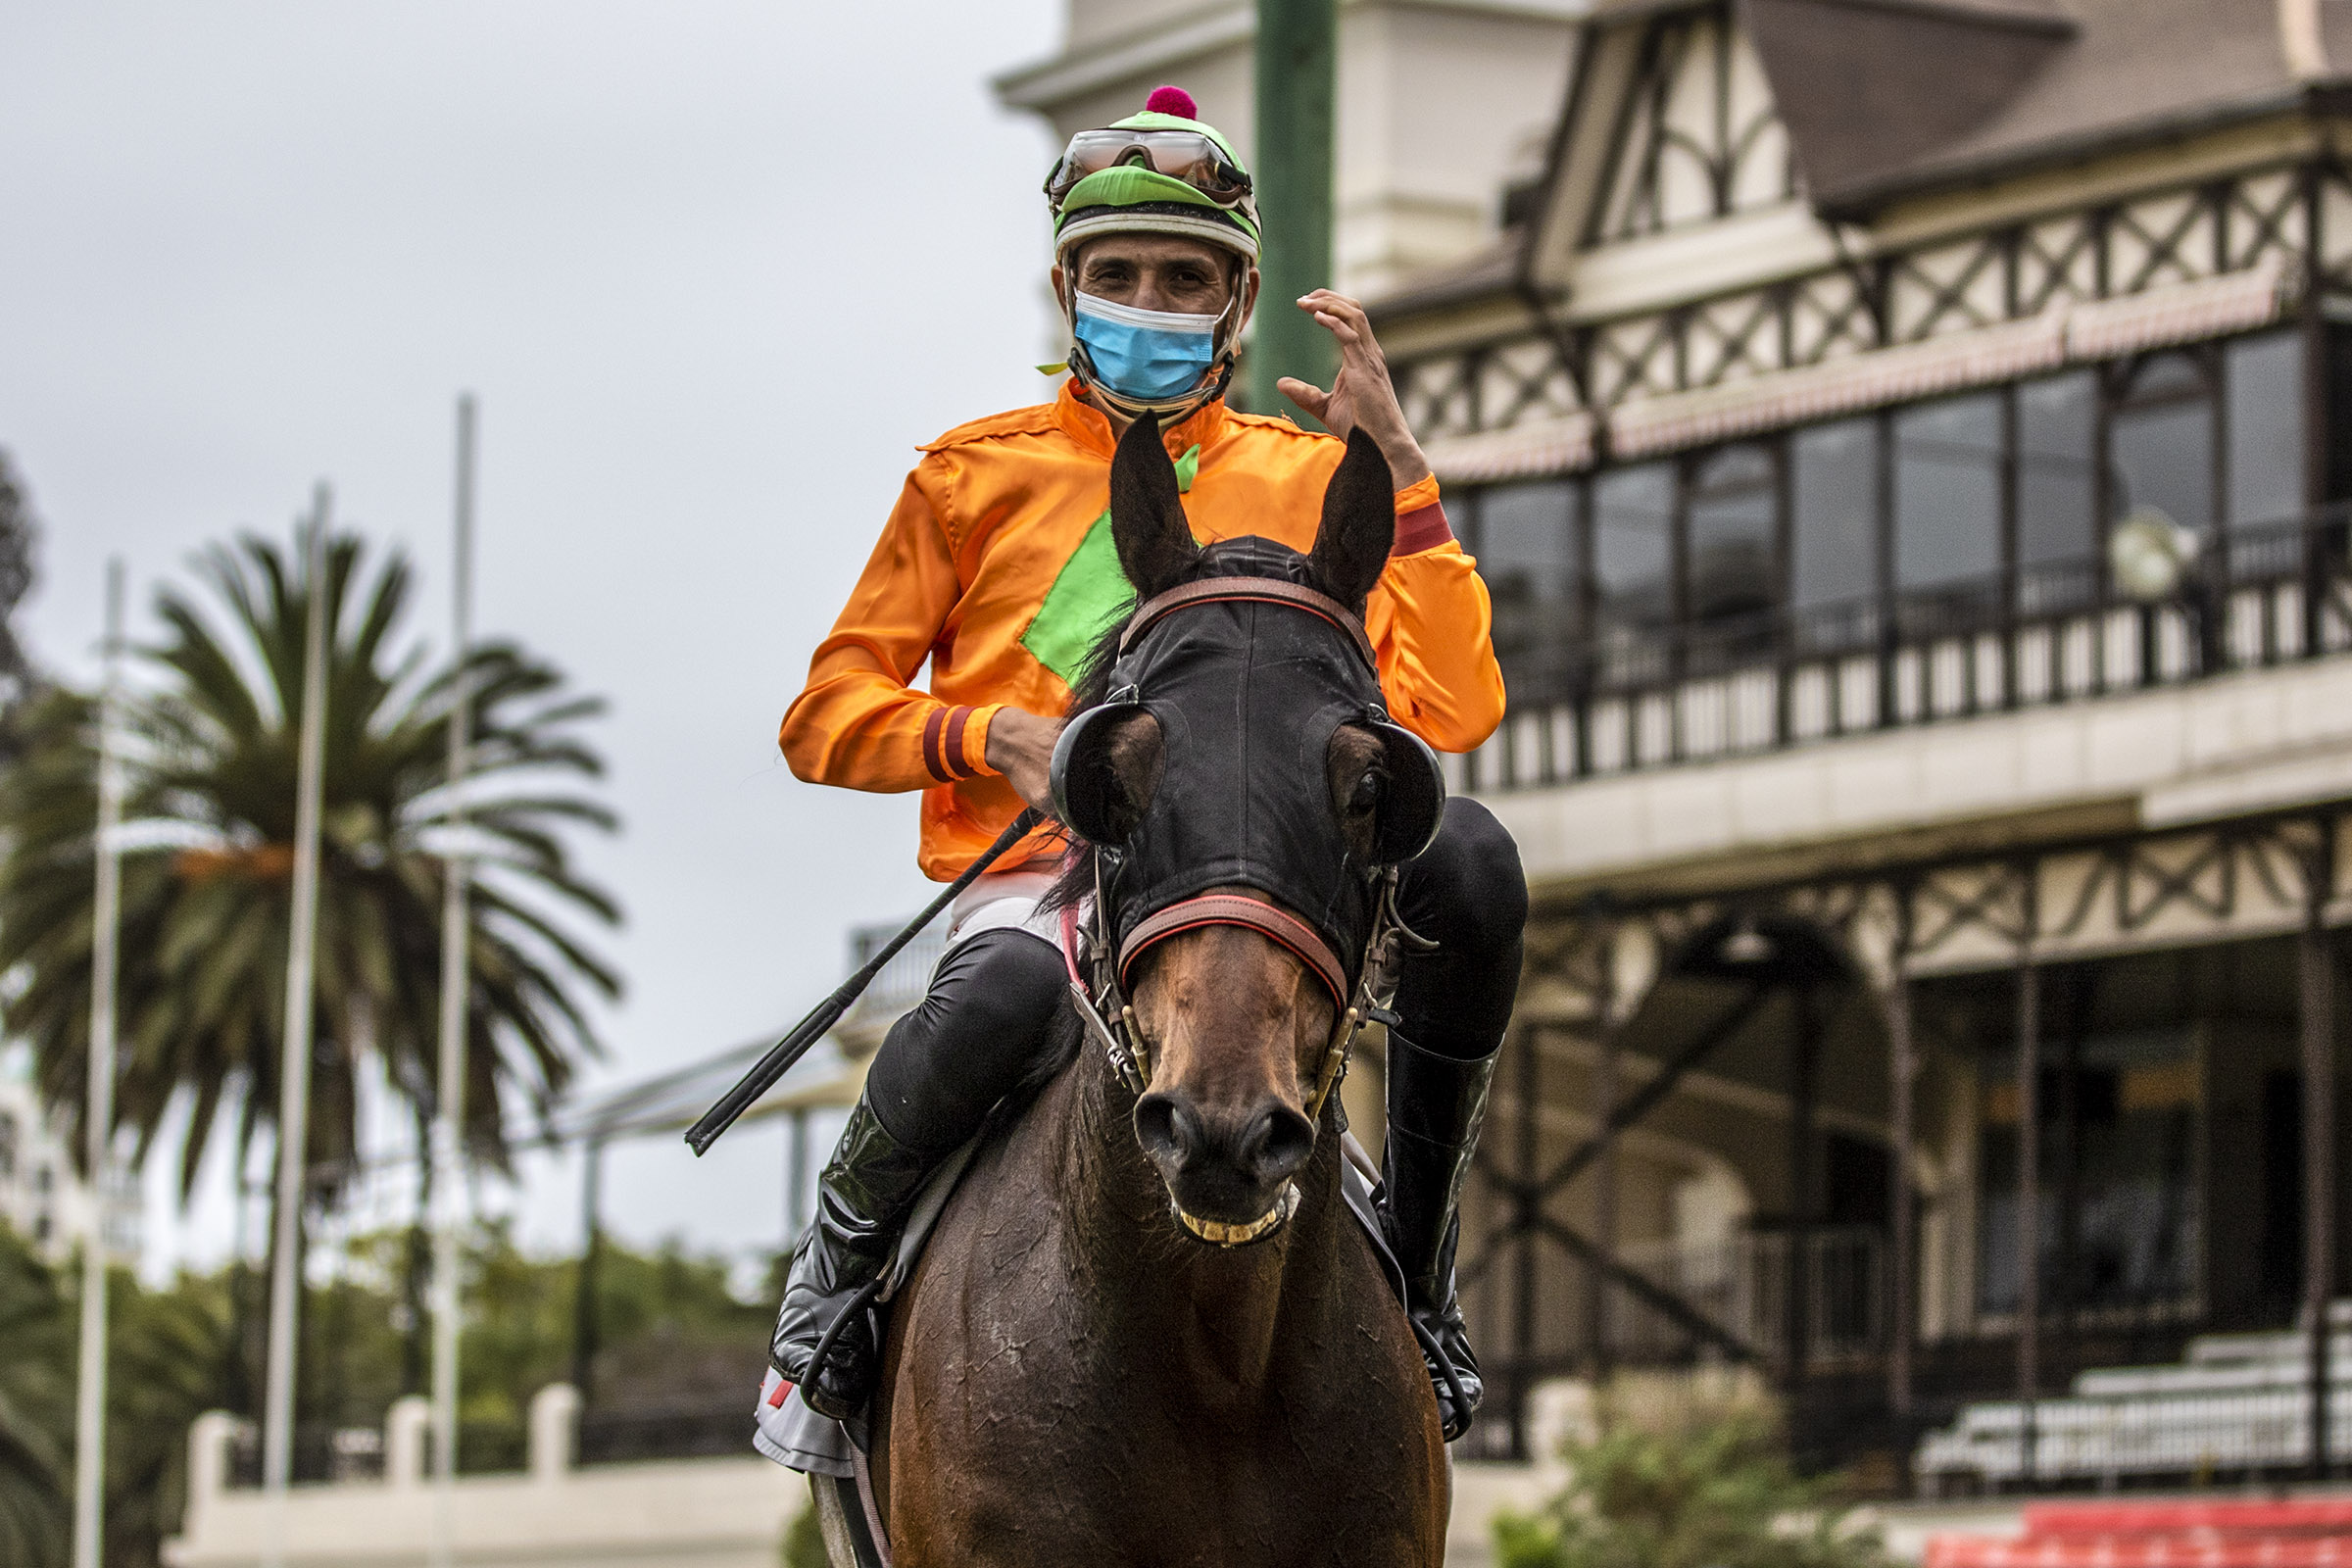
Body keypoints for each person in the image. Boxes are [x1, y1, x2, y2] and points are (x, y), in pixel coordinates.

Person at [770, 85, 1526, 1440]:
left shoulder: (1314, 477)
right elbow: (823, 718)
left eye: (1185, 278)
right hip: (1040, 884)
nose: (1148, 301)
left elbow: (1454, 707)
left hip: (1264, 876)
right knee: (1007, 988)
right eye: (1115, 274)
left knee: (1471, 857)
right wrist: (983, 735)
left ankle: (1423, 1266)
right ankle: (834, 1269)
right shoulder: (966, 477)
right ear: (1067, 289)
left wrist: (1405, 475)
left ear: (1240, 303)